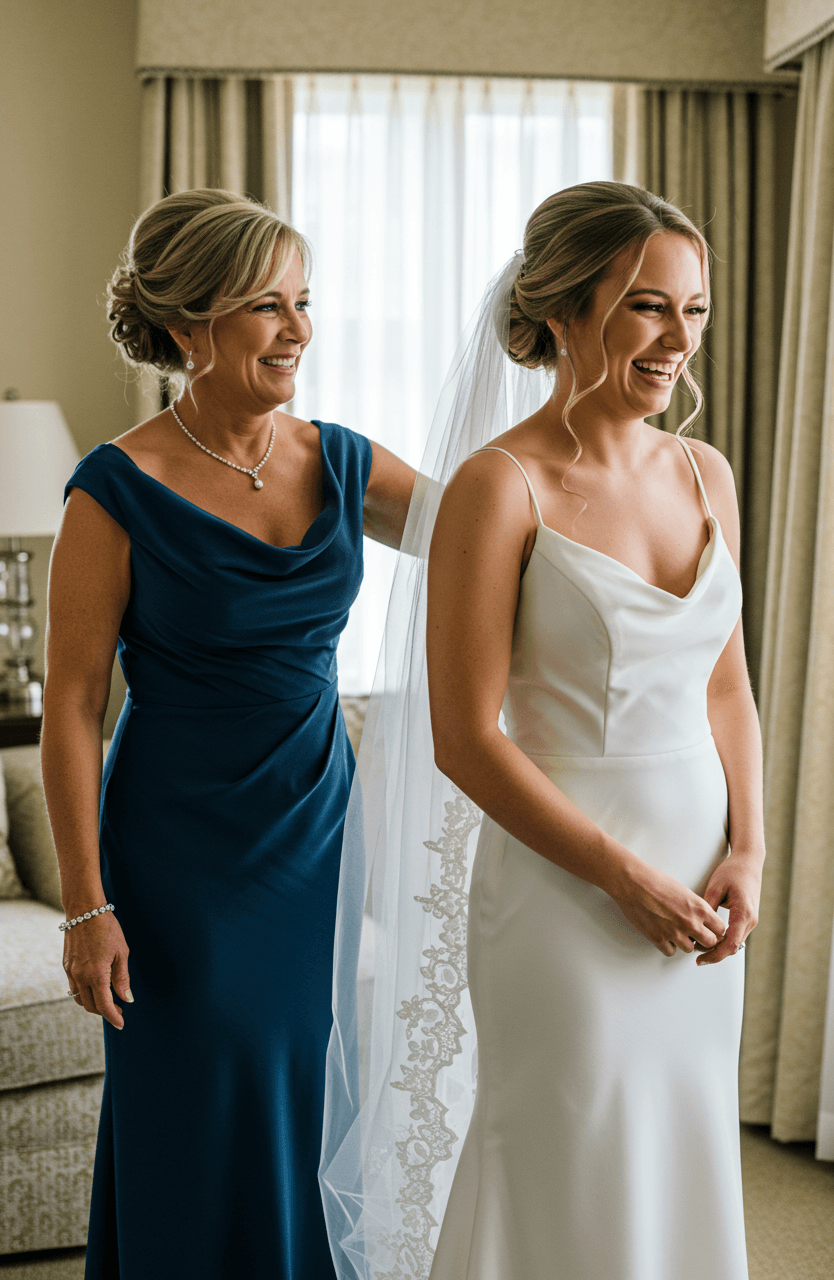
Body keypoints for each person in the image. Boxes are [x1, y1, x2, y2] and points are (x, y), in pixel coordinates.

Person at [321, 183, 763, 1280]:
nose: (677, 339)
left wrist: (747, 847)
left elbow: (725, 690)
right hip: (565, 888)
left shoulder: (704, 473)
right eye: (647, 306)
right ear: (565, 311)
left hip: (701, 876)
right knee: (566, 1137)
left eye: (694, 310)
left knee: (680, 1137)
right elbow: (464, 738)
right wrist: (620, 874)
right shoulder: (496, 485)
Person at [41, 187, 416, 1280]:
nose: (299, 329)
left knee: (308, 1089)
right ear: (187, 328)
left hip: (313, 828)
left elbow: (489, 534)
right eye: (267, 305)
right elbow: (71, 705)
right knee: (197, 1089)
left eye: (304, 301)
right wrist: (85, 900)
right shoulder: (113, 490)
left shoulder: (341, 461)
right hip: (178, 850)